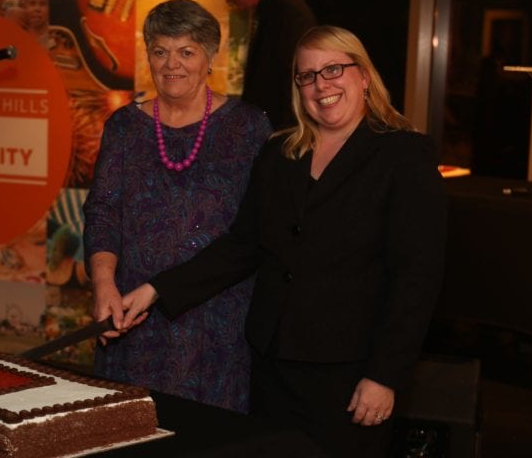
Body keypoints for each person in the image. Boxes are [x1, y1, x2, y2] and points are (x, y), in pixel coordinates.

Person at [118, 25, 447, 457]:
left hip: (350, 375)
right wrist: (157, 289)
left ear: (364, 76)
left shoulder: (404, 156)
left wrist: (385, 376)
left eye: (333, 70)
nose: (321, 85)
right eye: (307, 75)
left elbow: (416, 280)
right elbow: (242, 246)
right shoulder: (280, 154)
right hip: (273, 368)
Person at [83, 0, 272, 413]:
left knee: (209, 436)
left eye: (187, 52)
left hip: (219, 323)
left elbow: (256, 233)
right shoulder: (124, 127)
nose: (172, 64)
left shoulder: (248, 127)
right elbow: (102, 212)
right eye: (160, 51)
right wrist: (103, 284)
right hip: (133, 317)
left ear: (211, 58)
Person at [217, 0, 317, 131]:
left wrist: (284, 135)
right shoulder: (272, 8)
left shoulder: (287, 11)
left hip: (283, 130)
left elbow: (296, 78)